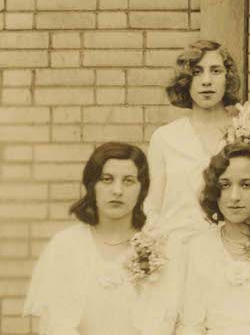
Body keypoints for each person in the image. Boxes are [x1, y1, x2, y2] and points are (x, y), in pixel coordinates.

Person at [24, 143, 166, 334]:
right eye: (107, 179)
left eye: (128, 181)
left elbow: (162, 321)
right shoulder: (66, 246)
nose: (117, 190)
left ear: (142, 189)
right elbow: (57, 323)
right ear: (92, 186)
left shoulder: (157, 247)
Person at [175, 142, 250, 334]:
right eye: (225, 185)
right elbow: (191, 323)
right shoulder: (198, 247)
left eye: (246, 185)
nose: (234, 196)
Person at [145, 40, 243, 239]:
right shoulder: (165, 138)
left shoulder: (246, 132)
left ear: (228, 78)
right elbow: (153, 207)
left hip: (229, 246)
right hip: (177, 245)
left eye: (216, 71)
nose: (206, 81)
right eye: (197, 72)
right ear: (186, 81)